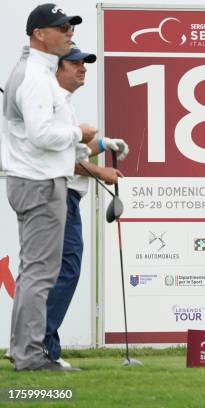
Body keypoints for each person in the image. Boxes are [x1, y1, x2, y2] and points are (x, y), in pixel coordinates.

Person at [1, 3, 96, 372]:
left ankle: (27, 351)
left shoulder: (37, 74)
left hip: (40, 181)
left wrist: (85, 145)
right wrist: (80, 133)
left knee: (34, 274)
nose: (70, 33)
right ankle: (30, 357)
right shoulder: (36, 77)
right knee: (40, 275)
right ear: (40, 34)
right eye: (62, 27)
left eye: (70, 27)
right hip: (39, 183)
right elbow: (42, 135)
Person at [43, 41, 129, 369]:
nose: (83, 68)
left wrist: (102, 144)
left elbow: (71, 152)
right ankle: (42, 347)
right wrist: (102, 170)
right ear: (57, 68)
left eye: (85, 63)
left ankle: (32, 345)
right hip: (59, 196)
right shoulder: (53, 104)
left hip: (59, 197)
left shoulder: (62, 104)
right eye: (76, 63)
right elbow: (60, 159)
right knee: (65, 270)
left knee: (48, 274)